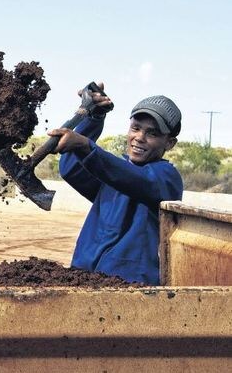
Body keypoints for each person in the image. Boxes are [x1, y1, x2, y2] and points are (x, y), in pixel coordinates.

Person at [48, 85, 183, 285]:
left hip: (130, 287)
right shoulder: (112, 173)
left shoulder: (166, 178)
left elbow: (132, 178)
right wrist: (93, 119)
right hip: (84, 277)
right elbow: (71, 168)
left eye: (152, 133)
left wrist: (85, 145)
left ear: (169, 143)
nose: (139, 138)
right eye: (135, 128)